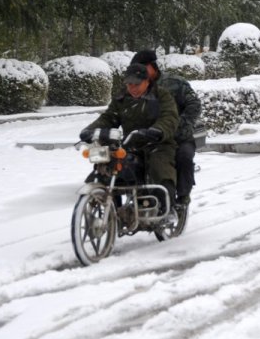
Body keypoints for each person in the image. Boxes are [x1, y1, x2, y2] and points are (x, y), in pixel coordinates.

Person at [79, 63, 180, 224]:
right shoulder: (122, 98)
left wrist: (157, 130)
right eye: (129, 84)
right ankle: (112, 209)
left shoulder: (161, 95)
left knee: (159, 166)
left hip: (158, 143)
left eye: (137, 84)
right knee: (108, 166)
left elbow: (170, 117)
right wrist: (90, 130)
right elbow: (108, 117)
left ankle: (168, 208)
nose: (132, 88)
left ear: (147, 81)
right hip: (130, 144)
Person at [130, 50, 202, 208]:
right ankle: (137, 197)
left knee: (184, 157)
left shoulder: (175, 82)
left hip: (178, 137)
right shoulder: (136, 87)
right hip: (148, 138)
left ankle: (182, 197)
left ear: (153, 66)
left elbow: (194, 105)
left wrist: (178, 125)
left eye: (143, 67)